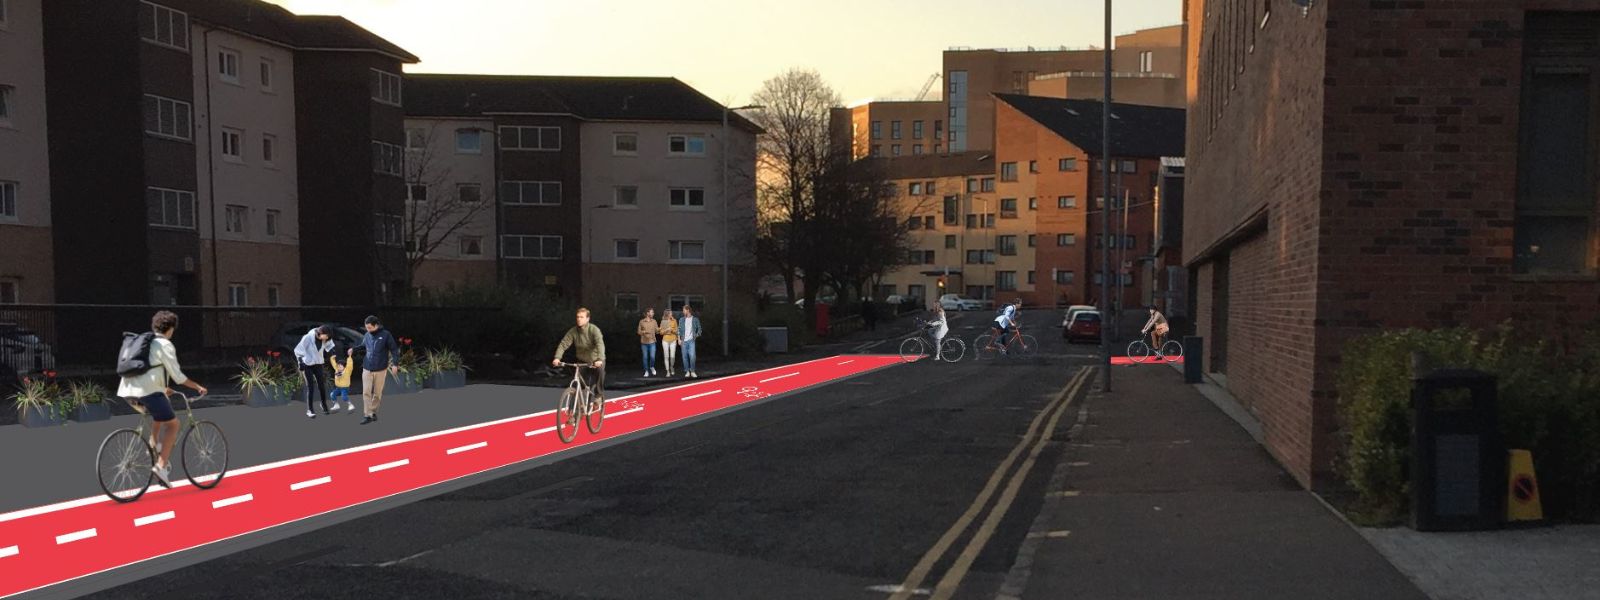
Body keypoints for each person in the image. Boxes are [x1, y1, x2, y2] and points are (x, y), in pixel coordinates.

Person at [116, 311, 207, 488]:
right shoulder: (165, 344)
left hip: (127, 391)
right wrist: (197, 386)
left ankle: (154, 445)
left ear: (154, 326)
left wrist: (163, 388)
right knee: (173, 424)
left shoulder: (145, 342)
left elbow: (148, 368)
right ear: (171, 329)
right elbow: (178, 376)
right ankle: (161, 467)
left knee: (160, 409)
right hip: (147, 390)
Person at [552, 307, 607, 405]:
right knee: (578, 386)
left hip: (596, 360)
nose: (579, 319)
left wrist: (599, 359)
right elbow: (564, 344)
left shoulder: (594, 330)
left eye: (581, 317)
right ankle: (575, 415)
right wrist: (557, 358)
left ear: (587, 319)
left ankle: (598, 396)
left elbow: (600, 344)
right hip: (582, 361)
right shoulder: (573, 331)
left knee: (600, 372)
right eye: (577, 317)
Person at [359, 315, 401, 425]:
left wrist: (395, 364)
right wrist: (353, 349)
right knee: (366, 392)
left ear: (376, 325)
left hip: (380, 369)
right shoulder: (367, 335)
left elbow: (394, 350)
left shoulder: (386, 335)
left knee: (377, 393)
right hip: (367, 368)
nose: (368, 330)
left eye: (369, 328)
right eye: (366, 327)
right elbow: (363, 346)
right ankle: (367, 415)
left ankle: (372, 412)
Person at [294, 324, 336, 418]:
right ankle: (310, 409)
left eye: (328, 338)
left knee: (321, 385)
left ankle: (324, 404)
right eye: (326, 337)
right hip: (307, 365)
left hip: (318, 364)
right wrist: (300, 363)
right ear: (320, 334)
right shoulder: (308, 338)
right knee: (310, 387)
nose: (326, 339)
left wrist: (333, 352)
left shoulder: (326, 337)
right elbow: (297, 351)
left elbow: (330, 346)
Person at [328, 346, 357, 413]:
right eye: (338, 366)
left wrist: (349, 357)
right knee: (332, 394)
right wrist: (332, 358)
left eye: (340, 366)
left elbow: (350, 365)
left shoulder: (347, 371)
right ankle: (336, 405)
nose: (338, 367)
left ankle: (350, 405)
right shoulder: (336, 369)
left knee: (344, 397)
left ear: (344, 367)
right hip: (338, 387)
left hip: (345, 387)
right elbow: (333, 363)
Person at [679, 304, 703, 378]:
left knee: (692, 356)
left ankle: (692, 371)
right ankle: (687, 371)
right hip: (683, 341)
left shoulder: (695, 319)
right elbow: (679, 330)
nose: (683, 312)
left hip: (691, 341)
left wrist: (696, 335)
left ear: (688, 310)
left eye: (684, 310)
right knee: (684, 357)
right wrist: (679, 339)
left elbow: (699, 330)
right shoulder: (681, 319)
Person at [637, 308, 660, 378]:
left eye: (653, 312)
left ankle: (652, 367)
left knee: (652, 357)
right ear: (647, 313)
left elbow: (657, 331)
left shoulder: (654, 321)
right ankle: (646, 371)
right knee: (645, 357)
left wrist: (660, 329)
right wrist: (643, 332)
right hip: (644, 343)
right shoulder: (641, 322)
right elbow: (638, 332)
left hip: (652, 342)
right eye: (652, 312)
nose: (653, 313)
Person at [659, 309, 680, 378]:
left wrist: (672, 330)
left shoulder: (674, 321)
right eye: (671, 313)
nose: (672, 314)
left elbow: (677, 331)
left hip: (673, 340)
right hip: (665, 340)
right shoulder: (663, 321)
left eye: (672, 313)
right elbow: (661, 332)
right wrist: (666, 330)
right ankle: (667, 371)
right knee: (666, 356)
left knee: (672, 356)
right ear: (667, 314)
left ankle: (672, 367)